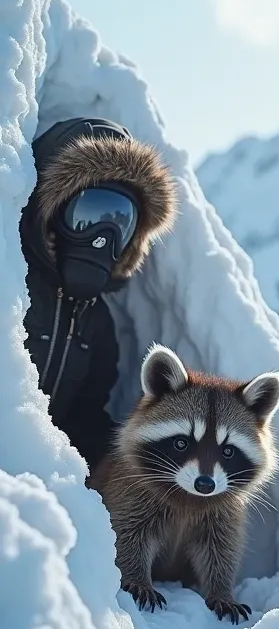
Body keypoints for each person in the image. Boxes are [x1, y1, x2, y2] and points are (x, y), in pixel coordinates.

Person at [19, 117, 177, 470]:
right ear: (49, 213)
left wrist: (118, 466)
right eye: (86, 214)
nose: (101, 236)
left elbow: (84, 416)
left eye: (121, 222)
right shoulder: (13, 286)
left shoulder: (96, 321)